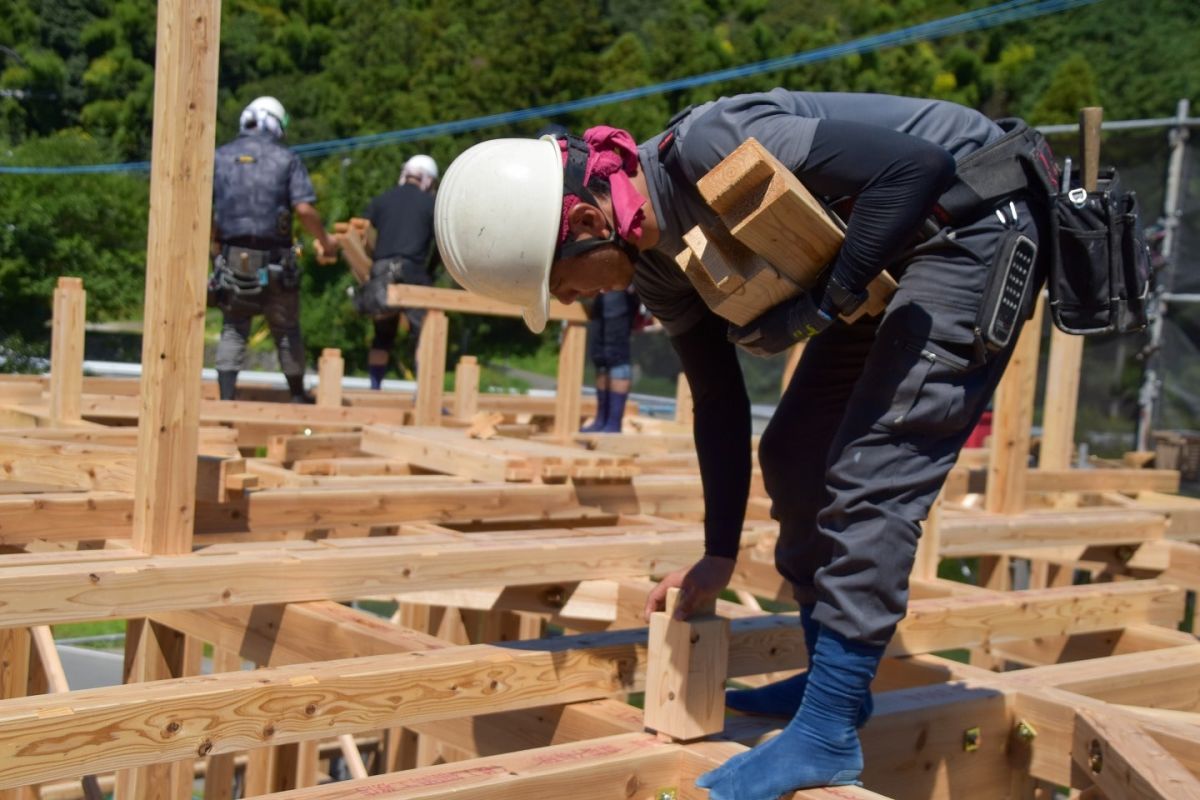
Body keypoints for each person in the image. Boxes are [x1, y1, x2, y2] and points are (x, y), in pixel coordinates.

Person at [434, 89, 1052, 797]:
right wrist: (718, 555)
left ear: (585, 220)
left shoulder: (711, 148)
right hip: (890, 247)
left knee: (873, 473)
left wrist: (822, 306)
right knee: (792, 453)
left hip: (970, 217)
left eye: (561, 286)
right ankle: (838, 690)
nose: (571, 302)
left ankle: (826, 732)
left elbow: (916, 167)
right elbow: (718, 399)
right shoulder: (658, 263)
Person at [210, 96, 339, 403]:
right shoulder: (286, 159)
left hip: (233, 260)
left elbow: (207, 212)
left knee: (234, 327)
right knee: (286, 329)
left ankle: (226, 398)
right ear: (275, 124)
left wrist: (215, 250)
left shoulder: (219, 158)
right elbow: (305, 210)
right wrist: (325, 239)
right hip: (276, 261)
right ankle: (297, 395)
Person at [354, 155, 440, 388]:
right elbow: (441, 246)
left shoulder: (382, 200)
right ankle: (424, 394)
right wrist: (430, 272)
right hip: (413, 270)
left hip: (382, 270)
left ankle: (374, 387)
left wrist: (370, 265)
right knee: (424, 332)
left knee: (383, 334)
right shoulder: (431, 205)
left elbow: (362, 234)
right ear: (428, 180)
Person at [581, 287, 639, 432]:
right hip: (601, 294)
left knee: (615, 356)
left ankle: (613, 424)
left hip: (619, 290)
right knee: (600, 357)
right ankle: (601, 420)